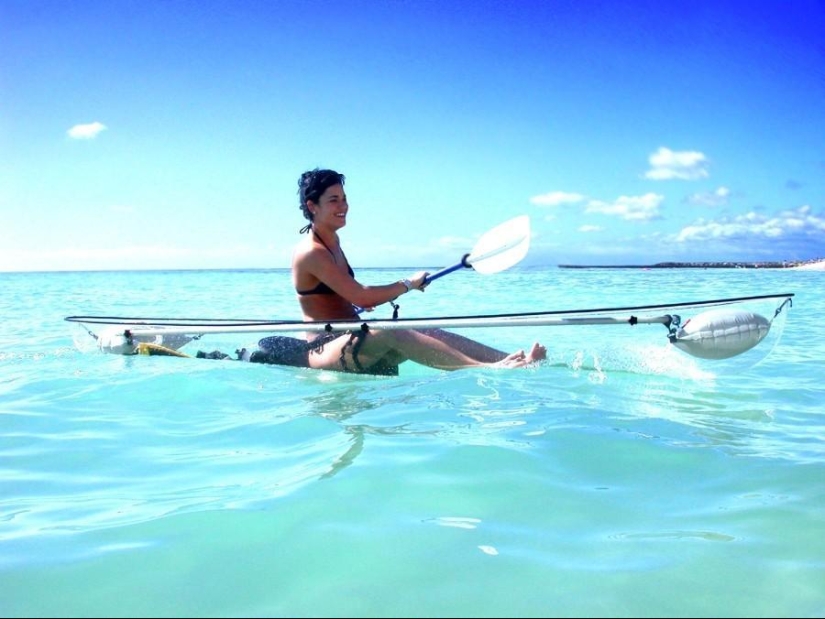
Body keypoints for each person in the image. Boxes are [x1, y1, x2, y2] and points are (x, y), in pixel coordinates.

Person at [283, 167, 546, 375]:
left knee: (423, 329)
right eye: (333, 200)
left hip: (351, 336)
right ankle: (491, 369)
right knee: (390, 330)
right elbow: (362, 296)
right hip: (323, 349)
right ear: (312, 206)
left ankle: (512, 359)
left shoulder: (333, 243)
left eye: (344, 198)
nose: (343, 206)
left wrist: (369, 298)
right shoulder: (311, 251)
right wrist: (407, 284)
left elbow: (347, 296)